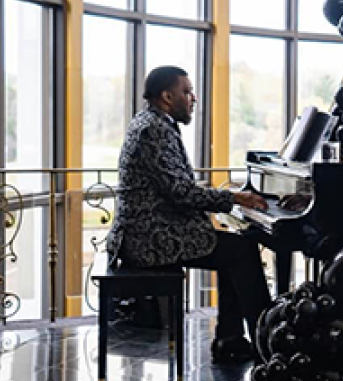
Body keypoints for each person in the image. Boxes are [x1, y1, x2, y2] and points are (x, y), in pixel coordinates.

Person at [106, 65, 272, 363]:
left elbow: (175, 186)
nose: (193, 98)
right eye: (187, 91)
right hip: (148, 239)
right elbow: (180, 192)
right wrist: (235, 197)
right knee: (241, 249)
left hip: (149, 229)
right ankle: (267, 344)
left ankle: (231, 339)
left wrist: (225, 198)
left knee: (235, 250)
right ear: (167, 96)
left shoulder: (152, 122)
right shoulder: (154, 130)